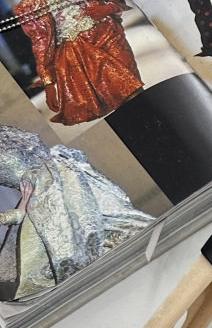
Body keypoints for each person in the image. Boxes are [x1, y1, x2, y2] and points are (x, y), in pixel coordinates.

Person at [0, 124, 153, 300]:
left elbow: (31, 143)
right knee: (77, 251)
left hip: (58, 175)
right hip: (45, 194)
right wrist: (18, 212)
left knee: (103, 227)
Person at [11, 0, 143, 126]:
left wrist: (106, 8)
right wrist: (48, 83)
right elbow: (40, 44)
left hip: (108, 37)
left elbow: (116, 0)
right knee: (117, 99)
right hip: (77, 52)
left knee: (133, 88)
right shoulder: (25, 8)